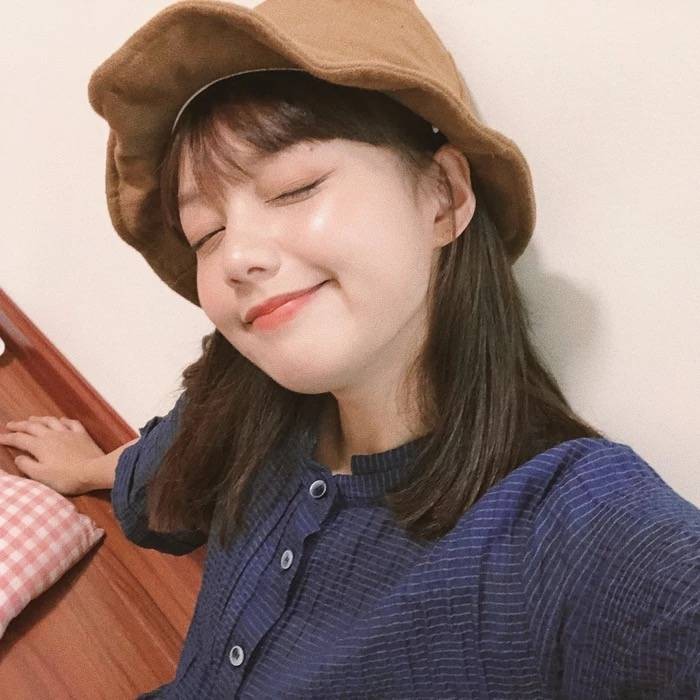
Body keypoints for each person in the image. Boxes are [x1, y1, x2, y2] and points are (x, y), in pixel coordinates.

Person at [1, 1, 699, 697]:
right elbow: (157, 480)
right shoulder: (245, 407)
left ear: (444, 196)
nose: (236, 257)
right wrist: (89, 467)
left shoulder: (573, 529)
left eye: (293, 188)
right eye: (206, 234)